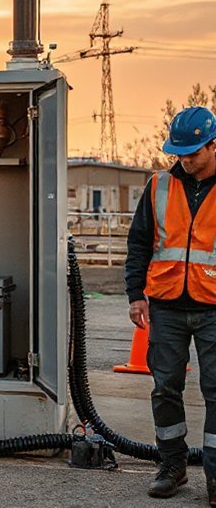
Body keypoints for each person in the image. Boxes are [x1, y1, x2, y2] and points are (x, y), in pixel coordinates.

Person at [126, 106, 216, 502]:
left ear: (213, 145)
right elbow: (139, 242)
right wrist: (134, 295)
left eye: (194, 152)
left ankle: (215, 477)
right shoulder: (159, 185)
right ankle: (173, 466)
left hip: (214, 307)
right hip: (165, 305)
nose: (186, 160)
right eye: (180, 152)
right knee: (165, 389)